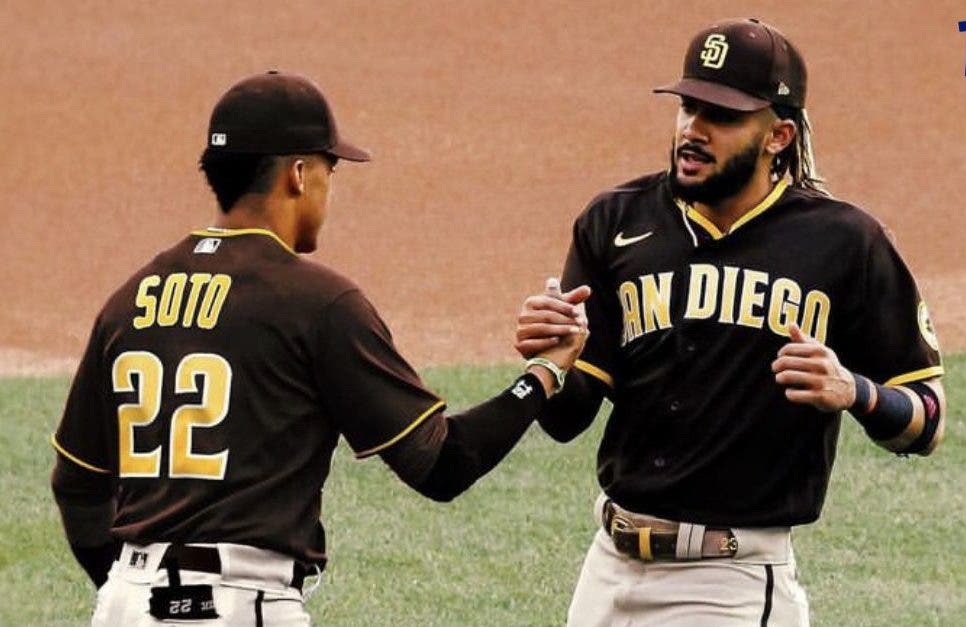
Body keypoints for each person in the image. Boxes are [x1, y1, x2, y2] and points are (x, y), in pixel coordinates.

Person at [50, 70, 590, 626]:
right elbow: (441, 464)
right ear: (299, 174)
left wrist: (143, 596)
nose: (331, 187)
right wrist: (545, 373)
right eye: (331, 168)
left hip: (122, 602)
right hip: (239, 603)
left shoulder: (129, 298)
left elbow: (76, 486)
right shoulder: (316, 302)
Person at [515, 18, 946, 626]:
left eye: (720, 116)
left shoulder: (845, 244)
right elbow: (567, 421)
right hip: (607, 573)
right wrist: (552, 359)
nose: (693, 130)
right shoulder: (614, 221)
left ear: (779, 135)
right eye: (689, 106)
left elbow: (928, 422)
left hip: (732, 585)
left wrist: (856, 392)